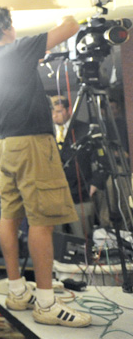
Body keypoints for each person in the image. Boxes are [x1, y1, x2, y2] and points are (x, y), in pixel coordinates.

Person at [0, 5, 91, 327]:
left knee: (10, 215)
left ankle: (17, 290)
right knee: (43, 219)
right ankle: (46, 303)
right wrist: (63, 15)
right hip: (32, 144)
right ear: (6, 27)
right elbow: (69, 26)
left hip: (7, 145)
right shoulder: (16, 49)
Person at [51, 96, 105, 238]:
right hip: (54, 193)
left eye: (58, 111)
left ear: (69, 110)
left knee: (82, 237)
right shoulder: (46, 133)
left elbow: (102, 159)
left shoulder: (85, 130)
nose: (54, 115)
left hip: (81, 192)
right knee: (57, 239)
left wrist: (94, 183)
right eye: (52, 111)